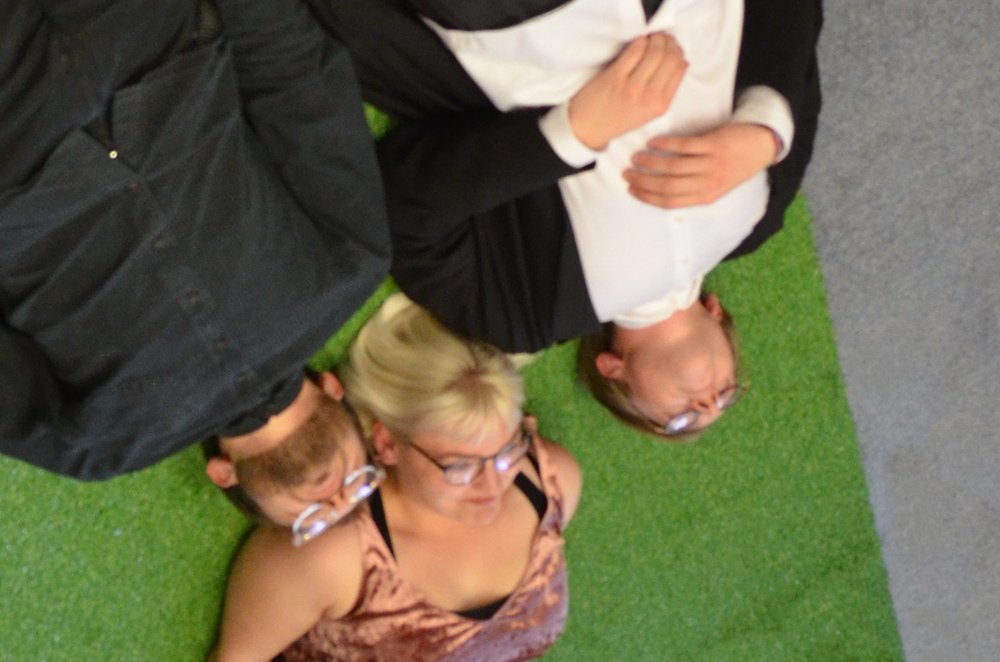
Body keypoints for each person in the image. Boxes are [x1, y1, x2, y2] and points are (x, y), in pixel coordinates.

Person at [307, 0, 822, 437]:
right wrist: (765, 131)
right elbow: (794, 21)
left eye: (680, 419)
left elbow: (400, 210)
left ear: (613, 371)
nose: (709, 404)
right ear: (717, 312)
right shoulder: (760, 214)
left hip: (508, 25)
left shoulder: (524, 314)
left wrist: (569, 136)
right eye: (728, 395)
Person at [0, 0, 389, 479]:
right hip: (145, 37)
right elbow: (296, 76)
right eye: (361, 492)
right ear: (335, 386)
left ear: (222, 474)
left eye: (320, 516)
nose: (339, 500)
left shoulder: (100, 447)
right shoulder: (353, 266)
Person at [210, 295, 582, 661]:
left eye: (507, 451)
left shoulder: (552, 480)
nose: (492, 486)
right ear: (387, 444)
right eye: (460, 467)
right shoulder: (332, 558)